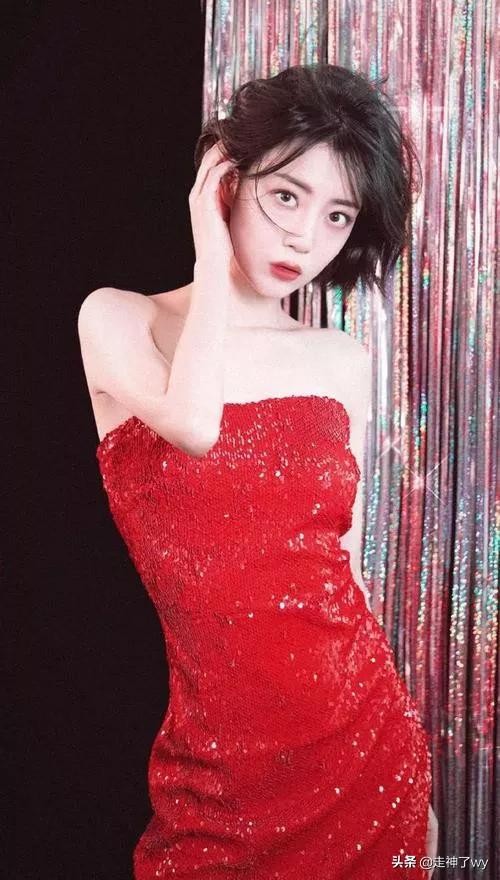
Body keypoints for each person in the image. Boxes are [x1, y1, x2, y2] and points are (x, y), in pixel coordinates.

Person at [78, 63, 438, 879]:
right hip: (221, 777)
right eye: (285, 196)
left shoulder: (340, 360)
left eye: (338, 214)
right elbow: (194, 424)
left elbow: (345, 572)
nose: (307, 237)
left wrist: (411, 773)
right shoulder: (119, 319)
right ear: (225, 181)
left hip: (363, 748)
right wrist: (210, 252)